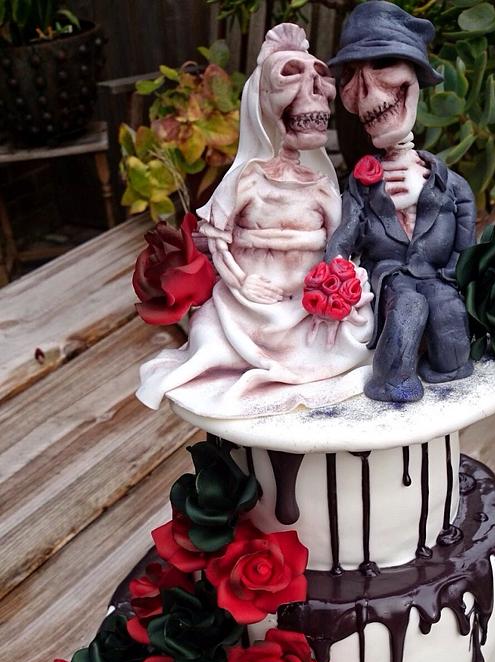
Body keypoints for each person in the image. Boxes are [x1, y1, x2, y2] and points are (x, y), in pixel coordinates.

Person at [137, 23, 373, 419]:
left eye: (320, 79)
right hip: (249, 306)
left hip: (307, 306)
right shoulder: (246, 181)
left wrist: (339, 287)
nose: (315, 91)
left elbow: (340, 246)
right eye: (293, 77)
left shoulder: (321, 188)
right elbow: (219, 240)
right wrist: (242, 282)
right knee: (211, 332)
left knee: (354, 331)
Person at [325, 1, 476, 404]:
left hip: (437, 275)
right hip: (391, 276)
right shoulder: (362, 186)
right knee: (407, 307)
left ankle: (449, 369)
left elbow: (465, 243)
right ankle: (392, 381)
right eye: (352, 77)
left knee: (448, 313)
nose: (368, 92)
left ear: (416, 76)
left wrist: (456, 277)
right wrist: (334, 270)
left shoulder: (449, 184)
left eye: (383, 66)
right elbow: (346, 233)